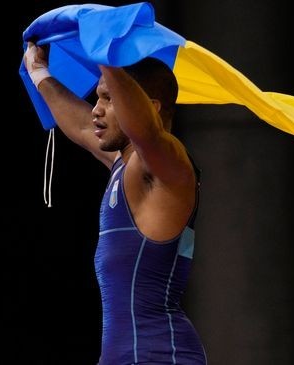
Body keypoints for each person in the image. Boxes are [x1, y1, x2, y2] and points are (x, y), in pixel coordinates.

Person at [23, 42, 207, 364]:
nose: (95, 108)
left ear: (149, 107)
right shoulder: (125, 165)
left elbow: (147, 132)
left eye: (108, 98)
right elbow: (81, 126)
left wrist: (104, 53)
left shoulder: (169, 167)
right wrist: (39, 72)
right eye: (98, 97)